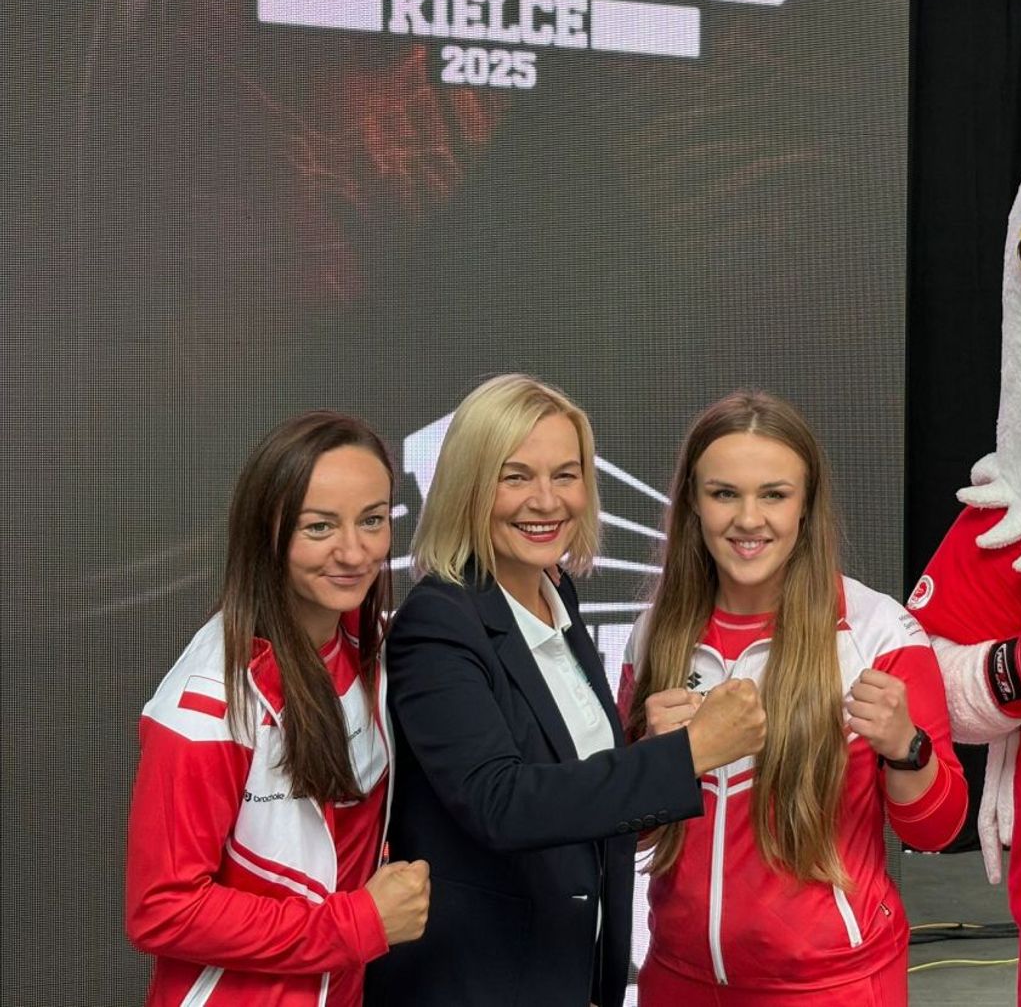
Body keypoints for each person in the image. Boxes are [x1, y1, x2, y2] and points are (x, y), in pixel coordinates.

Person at [367, 374, 766, 1007]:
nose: (546, 501)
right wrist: (687, 754)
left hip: (571, 971)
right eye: (516, 476)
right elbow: (501, 801)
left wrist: (651, 749)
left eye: (566, 475)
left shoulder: (556, 596)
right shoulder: (439, 622)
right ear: (469, 486)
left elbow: (571, 781)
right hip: (480, 983)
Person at [622, 391, 968, 1006]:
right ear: (693, 504)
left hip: (831, 986)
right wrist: (652, 762)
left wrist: (906, 749)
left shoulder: (878, 633)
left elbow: (940, 830)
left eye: (774, 495)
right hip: (677, 979)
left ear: (806, 505)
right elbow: (630, 835)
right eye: (724, 493)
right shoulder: (657, 633)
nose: (748, 519)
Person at [125, 412, 431, 1007]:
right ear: (266, 532)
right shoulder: (210, 701)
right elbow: (162, 910)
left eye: (372, 520)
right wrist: (358, 924)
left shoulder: (372, 650)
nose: (354, 551)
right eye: (319, 527)